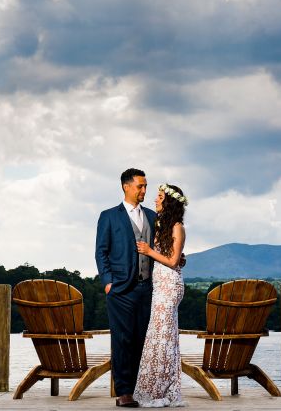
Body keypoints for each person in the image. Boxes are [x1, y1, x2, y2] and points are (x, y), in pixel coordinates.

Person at [95, 168, 156, 408]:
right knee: (122, 340)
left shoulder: (152, 216)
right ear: (126, 186)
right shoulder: (109, 216)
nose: (144, 190)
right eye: (140, 186)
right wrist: (108, 282)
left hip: (147, 289)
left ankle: (140, 388)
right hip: (120, 290)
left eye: (145, 186)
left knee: (143, 340)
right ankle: (123, 392)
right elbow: (101, 252)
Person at [133, 183, 188, 408]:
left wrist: (149, 251)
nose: (155, 199)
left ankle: (159, 390)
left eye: (159, 196)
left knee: (162, 337)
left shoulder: (177, 226)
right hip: (159, 286)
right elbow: (176, 256)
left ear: (169, 202)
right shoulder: (162, 225)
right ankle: (162, 388)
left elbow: (174, 261)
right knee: (162, 336)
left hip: (170, 286)